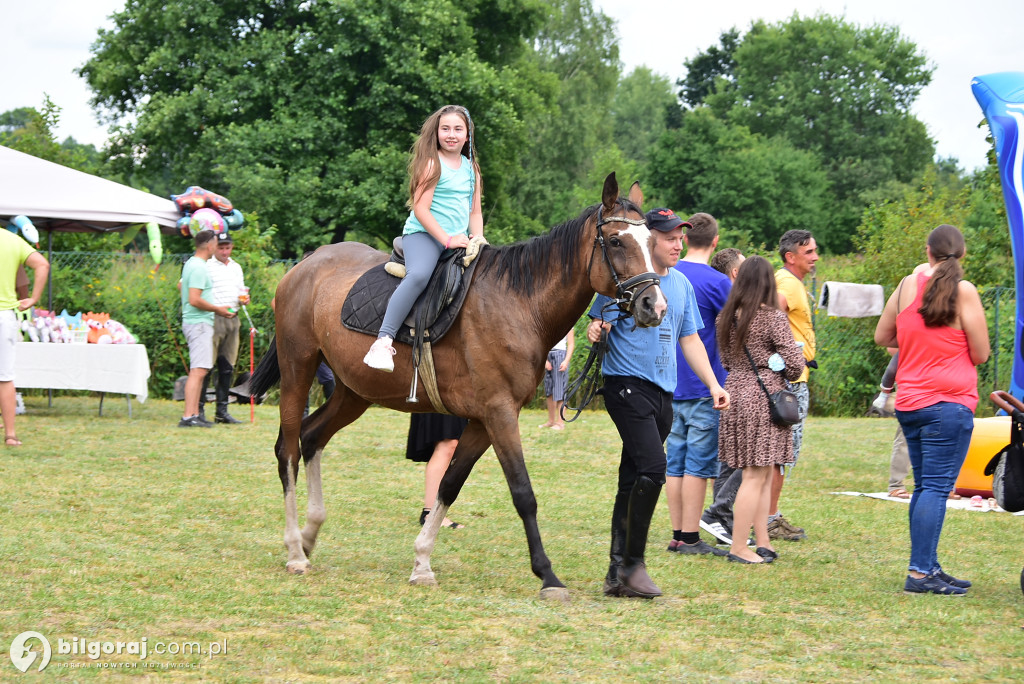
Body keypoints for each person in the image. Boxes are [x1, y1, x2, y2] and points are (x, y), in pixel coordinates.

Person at [589, 208, 729, 599]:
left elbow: (690, 340)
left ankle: (615, 574)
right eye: (669, 238)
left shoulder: (682, 285)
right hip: (626, 385)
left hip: (663, 393)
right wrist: (595, 328)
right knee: (653, 468)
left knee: (631, 480)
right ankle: (634, 567)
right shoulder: (622, 281)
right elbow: (593, 325)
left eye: (680, 237)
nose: (677, 244)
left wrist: (714, 384)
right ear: (649, 240)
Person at [874, 224, 989, 595]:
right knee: (936, 489)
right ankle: (921, 573)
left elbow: (883, 336)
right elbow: (981, 353)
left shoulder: (908, 285)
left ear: (927, 251)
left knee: (925, 488)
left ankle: (928, 565)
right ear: (962, 255)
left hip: (910, 402)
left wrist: (915, 345)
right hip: (949, 404)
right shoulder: (965, 291)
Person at [364, 105, 483, 372]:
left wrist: (479, 238)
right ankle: (383, 341)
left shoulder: (471, 169)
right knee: (419, 276)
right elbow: (421, 209)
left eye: (457, 129)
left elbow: (475, 211)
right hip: (425, 236)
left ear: (467, 135)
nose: (451, 134)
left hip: (459, 239)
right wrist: (447, 239)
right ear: (437, 132)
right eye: (445, 129)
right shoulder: (432, 164)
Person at [717, 255, 806, 563]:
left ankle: (763, 541)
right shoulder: (772, 317)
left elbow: (727, 361)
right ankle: (739, 547)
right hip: (764, 399)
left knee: (762, 472)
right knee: (756, 475)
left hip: (735, 393)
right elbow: (794, 367)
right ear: (769, 282)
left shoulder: (726, 317)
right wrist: (789, 359)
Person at [664, 213, 731, 556]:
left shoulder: (670, 275)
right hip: (706, 384)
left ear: (685, 239)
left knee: (674, 462)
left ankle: (677, 533)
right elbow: (739, 325)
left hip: (670, 383)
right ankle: (691, 537)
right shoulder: (719, 282)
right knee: (699, 465)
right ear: (716, 242)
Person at [770, 229, 820, 541]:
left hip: (791, 377)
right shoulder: (786, 282)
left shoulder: (788, 280)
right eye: (809, 252)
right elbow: (771, 314)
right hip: (789, 381)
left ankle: (768, 514)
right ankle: (770, 518)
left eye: (815, 251)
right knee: (782, 452)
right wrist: (783, 356)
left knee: (781, 452)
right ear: (791, 257)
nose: (815, 257)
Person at [699, 247, 746, 545]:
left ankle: (723, 522)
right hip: (727, 385)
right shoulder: (732, 304)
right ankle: (718, 513)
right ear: (735, 273)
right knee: (744, 457)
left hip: (716, 383)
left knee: (727, 458)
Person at [179, 229, 236, 428]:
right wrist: (217, 309)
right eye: (215, 243)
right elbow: (194, 299)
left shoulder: (192, 264)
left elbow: (184, 290)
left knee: (201, 369)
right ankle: (189, 416)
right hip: (199, 323)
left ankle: (195, 413)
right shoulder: (199, 267)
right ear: (210, 245)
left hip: (198, 322)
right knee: (198, 371)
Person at [0, 228, 49, 446]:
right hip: (3, 316)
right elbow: (42, 265)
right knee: (4, 376)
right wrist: (33, 298)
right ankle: (10, 435)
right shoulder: (11, 240)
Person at [199, 231, 248, 424]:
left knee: (227, 366)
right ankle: (199, 409)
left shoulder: (236, 267)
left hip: (233, 318)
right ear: (214, 247)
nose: (225, 251)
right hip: (214, 318)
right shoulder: (206, 266)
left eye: (228, 247)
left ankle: (222, 411)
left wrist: (244, 300)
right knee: (207, 365)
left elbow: (240, 290)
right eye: (221, 247)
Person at [406, 413, 467, 529]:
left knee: (451, 443)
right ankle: (430, 514)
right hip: (439, 396)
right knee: (448, 442)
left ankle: (431, 513)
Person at [540, 330, 574, 430]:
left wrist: (566, 361)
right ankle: (551, 421)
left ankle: (560, 423)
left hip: (560, 355)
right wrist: (545, 360)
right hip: (548, 355)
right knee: (549, 391)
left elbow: (571, 344)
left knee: (560, 390)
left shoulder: (569, 324)